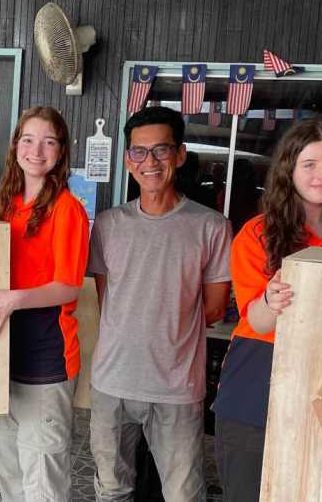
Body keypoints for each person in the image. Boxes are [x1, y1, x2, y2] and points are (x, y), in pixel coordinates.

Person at [211, 119, 322, 502]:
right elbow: (257, 319)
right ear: (289, 170)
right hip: (258, 374)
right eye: (309, 164)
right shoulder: (257, 233)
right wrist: (272, 299)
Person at [86, 106, 232, 501]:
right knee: (112, 489)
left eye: (161, 151)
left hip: (177, 387)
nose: (149, 162)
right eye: (138, 152)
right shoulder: (108, 224)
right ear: (128, 158)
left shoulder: (211, 226)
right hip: (112, 382)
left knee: (183, 493)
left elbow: (216, 309)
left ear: (180, 155)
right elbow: (106, 299)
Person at [0, 106, 90, 501]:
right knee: (10, 473)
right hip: (0, 354)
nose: (36, 150)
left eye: (49, 141)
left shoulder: (67, 208)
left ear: (61, 152)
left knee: (43, 479)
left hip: (46, 358)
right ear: (15, 146)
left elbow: (68, 287)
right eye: (28, 139)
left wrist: (13, 300)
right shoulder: (8, 203)